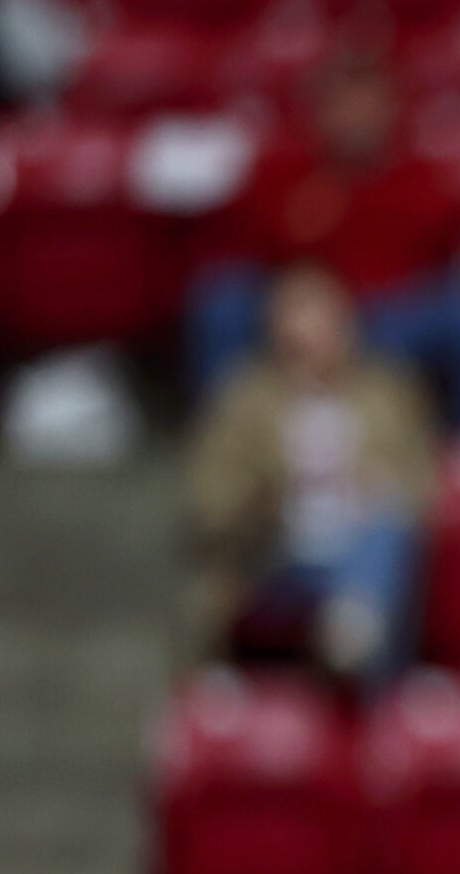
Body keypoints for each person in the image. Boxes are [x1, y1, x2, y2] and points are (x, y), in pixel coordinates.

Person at [189, 44, 460, 433]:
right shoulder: (278, 174)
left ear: (391, 107)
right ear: (320, 109)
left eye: (368, 102)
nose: (356, 116)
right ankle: (225, 437)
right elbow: (244, 253)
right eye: (344, 103)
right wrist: (291, 302)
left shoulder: (426, 179)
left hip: (387, 319)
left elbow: (450, 264)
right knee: (221, 300)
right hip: (297, 311)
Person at [188, 265, 439, 684]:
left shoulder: (389, 393)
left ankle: (354, 632)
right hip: (277, 557)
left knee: (386, 531)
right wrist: (274, 490)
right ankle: (357, 639)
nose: (311, 333)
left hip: (361, 548)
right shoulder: (244, 400)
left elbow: (430, 487)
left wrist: (381, 482)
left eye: (324, 318)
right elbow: (207, 505)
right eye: (297, 317)